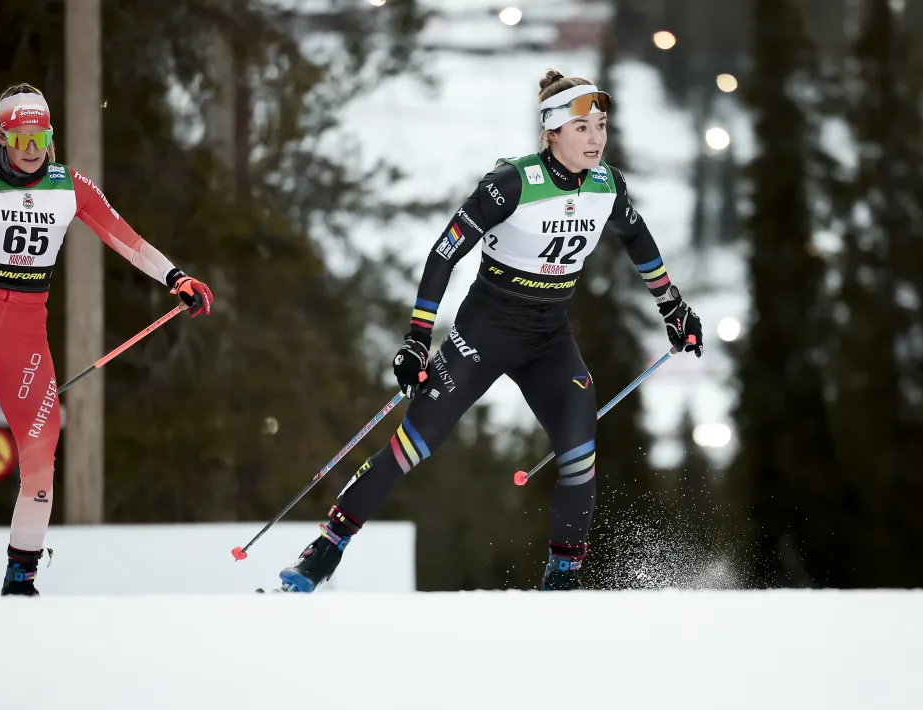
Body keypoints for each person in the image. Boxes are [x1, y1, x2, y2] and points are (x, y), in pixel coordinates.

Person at [271, 69, 703, 593]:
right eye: (583, 127)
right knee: (414, 444)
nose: (597, 139)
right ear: (552, 130)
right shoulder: (511, 184)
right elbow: (443, 254)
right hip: (483, 333)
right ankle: (324, 550)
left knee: (579, 450)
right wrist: (416, 338)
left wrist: (672, 308)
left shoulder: (606, 184)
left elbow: (638, 238)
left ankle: (562, 579)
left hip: (548, 339)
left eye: (601, 126)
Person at [0, 83, 214, 595]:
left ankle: (20, 579)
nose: (32, 149)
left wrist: (176, 277)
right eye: (22, 136)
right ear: (3, 136)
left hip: (26, 336)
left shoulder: (69, 185)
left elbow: (128, 239)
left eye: (42, 136)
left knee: (40, 452)